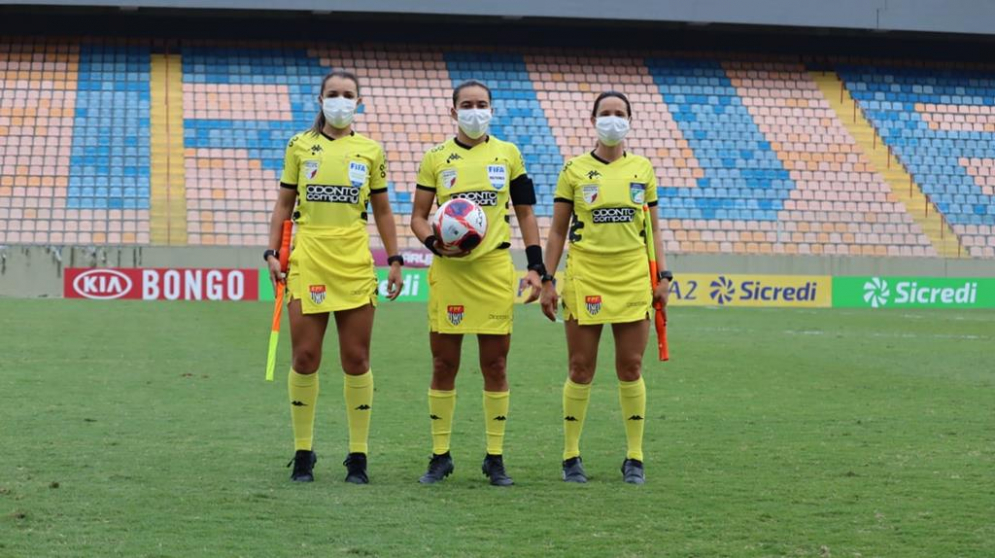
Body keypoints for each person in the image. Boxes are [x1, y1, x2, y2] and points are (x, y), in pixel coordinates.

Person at [266, 70, 403, 484]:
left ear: (359, 103)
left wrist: (394, 258)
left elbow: (381, 211)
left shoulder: (370, 151)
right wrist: (272, 252)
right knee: (305, 358)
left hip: (354, 260)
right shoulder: (299, 146)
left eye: (348, 95)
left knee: (356, 359)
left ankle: (357, 457)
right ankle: (303, 452)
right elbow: (283, 205)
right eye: (333, 94)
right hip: (309, 257)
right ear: (320, 99)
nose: (340, 101)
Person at [409, 79, 546, 486]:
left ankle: (495, 457)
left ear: (491, 109)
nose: (474, 111)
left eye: (481, 104)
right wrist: (434, 242)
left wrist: (536, 267)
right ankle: (439, 456)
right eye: (466, 105)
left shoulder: (509, 155)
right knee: (443, 364)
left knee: (496, 364)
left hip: (493, 273)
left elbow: (525, 215)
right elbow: (417, 216)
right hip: (450, 274)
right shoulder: (435, 158)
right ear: (453, 112)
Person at [540, 91, 671, 485]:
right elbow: (558, 231)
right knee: (581, 369)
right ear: (593, 119)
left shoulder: (643, 170)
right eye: (605, 113)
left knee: (630, 367)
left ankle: (634, 457)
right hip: (586, 278)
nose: (612, 120)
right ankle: (570, 456)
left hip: (632, 279)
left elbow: (654, 229)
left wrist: (663, 276)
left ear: (630, 120)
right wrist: (548, 280)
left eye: (620, 114)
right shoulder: (574, 170)